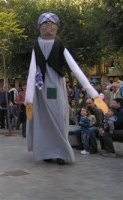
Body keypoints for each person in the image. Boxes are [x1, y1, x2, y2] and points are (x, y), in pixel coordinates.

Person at [24, 12, 107, 165]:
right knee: (43, 121)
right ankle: (46, 152)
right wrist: (29, 98)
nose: (48, 29)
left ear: (56, 28)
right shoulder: (37, 45)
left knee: (58, 118)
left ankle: (61, 152)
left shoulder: (59, 44)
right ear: (39, 28)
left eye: (52, 26)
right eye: (44, 25)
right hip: (41, 88)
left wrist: (93, 93)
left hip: (55, 84)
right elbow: (32, 70)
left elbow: (76, 69)